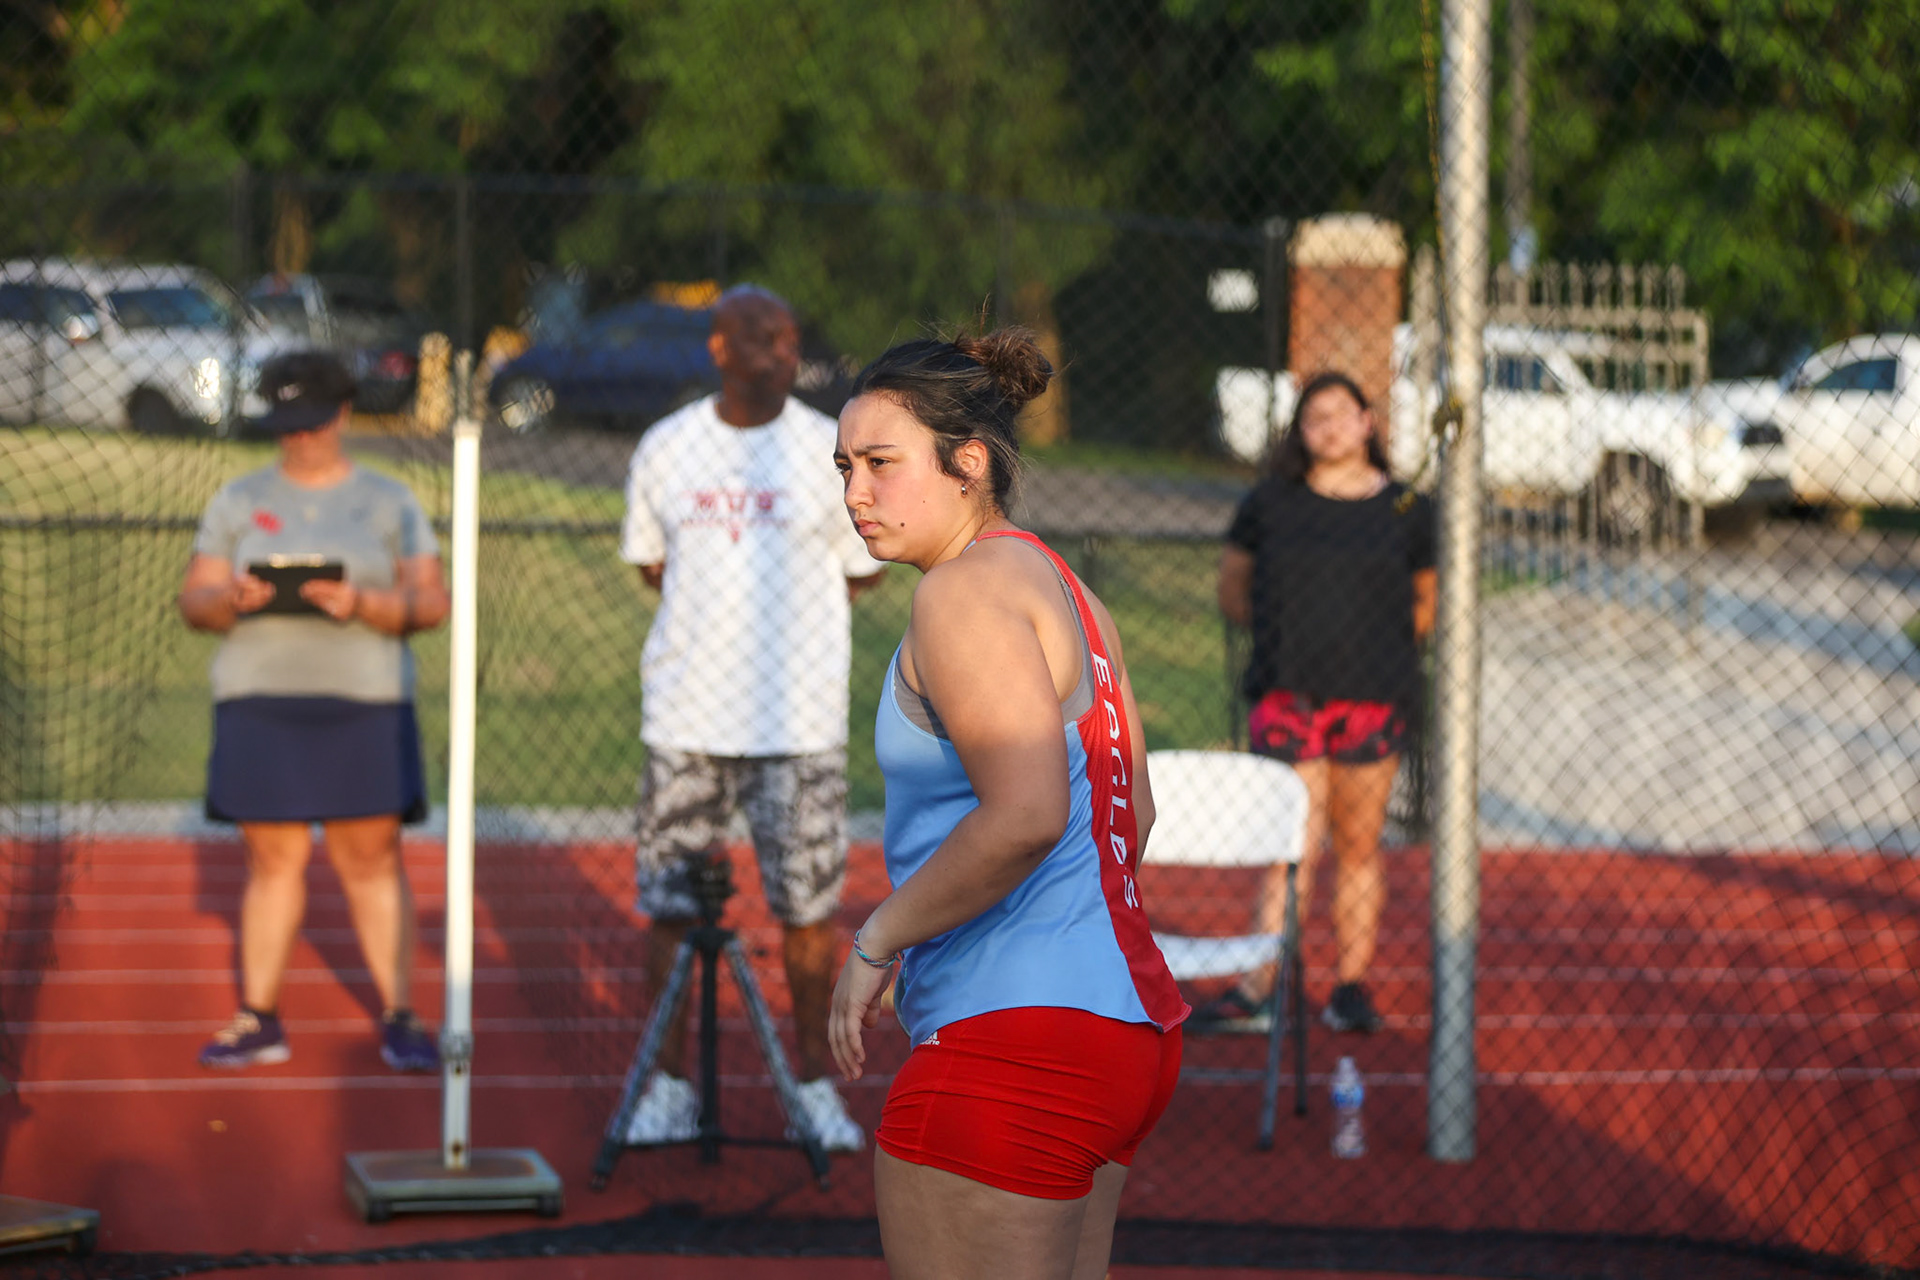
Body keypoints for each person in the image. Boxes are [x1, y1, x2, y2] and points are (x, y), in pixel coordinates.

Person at [828, 329, 1188, 1280]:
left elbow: (1027, 814)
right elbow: (1132, 811)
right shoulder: (1067, 589)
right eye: (844, 467)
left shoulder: (961, 594)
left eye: (881, 464)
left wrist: (882, 938)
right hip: (1121, 1032)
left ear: (968, 462)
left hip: (1017, 1046)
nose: (855, 493)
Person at [620, 286, 886, 1152]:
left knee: (807, 914)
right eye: (761, 337)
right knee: (669, 910)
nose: (780, 349)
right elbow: (651, 563)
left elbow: (863, 569)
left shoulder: (826, 448)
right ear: (719, 347)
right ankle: (666, 1087)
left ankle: (811, 1085)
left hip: (798, 726)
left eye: (789, 335)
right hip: (688, 719)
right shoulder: (669, 446)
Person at [178, 350, 449, 1070]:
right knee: (274, 861)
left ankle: (399, 1017)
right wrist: (228, 598)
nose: (297, 439)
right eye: (285, 426)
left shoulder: (390, 501)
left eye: (311, 424)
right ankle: (259, 1017)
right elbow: (194, 602)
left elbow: (432, 602)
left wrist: (364, 603)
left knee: (369, 860)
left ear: (343, 415)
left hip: (362, 701)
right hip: (261, 700)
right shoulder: (238, 499)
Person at [1196, 370, 1436, 1036]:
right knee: (1289, 848)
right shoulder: (1272, 502)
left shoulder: (1409, 509)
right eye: (1313, 417)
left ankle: (1349, 987)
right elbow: (1233, 589)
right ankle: (1258, 989)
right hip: (1289, 696)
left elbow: (1426, 602)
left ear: (1367, 421)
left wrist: (1366, 650)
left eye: (1340, 413)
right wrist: (1290, 646)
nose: (1328, 426)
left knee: (1358, 845)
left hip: (1372, 700)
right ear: (1299, 432)